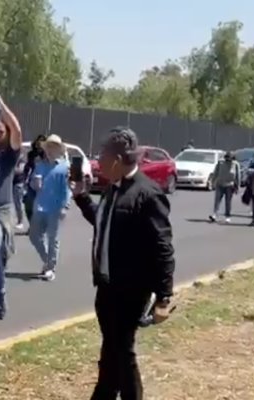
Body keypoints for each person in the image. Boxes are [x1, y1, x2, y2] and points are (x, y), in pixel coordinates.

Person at [71, 127, 175, 400]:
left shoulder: (147, 194)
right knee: (112, 352)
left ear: (117, 159)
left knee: (122, 352)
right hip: (107, 287)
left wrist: (164, 297)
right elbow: (104, 224)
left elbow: (163, 247)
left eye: (102, 155)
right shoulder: (112, 190)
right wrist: (82, 198)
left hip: (131, 289)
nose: (98, 161)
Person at [0, 90, 22, 319]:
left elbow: (16, 130)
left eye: (1, 132)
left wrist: (0, 103)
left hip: (2, 211)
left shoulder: (10, 155)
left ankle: (0, 294)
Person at [28, 134, 71, 281]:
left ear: (58, 150)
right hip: (39, 206)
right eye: (49, 147)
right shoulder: (40, 165)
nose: (50, 150)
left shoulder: (64, 167)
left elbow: (67, 189)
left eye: (54, 147)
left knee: (53, 239)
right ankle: (47, 260)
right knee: (34, 236)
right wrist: (35, 183)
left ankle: (51, 268)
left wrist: (65, 206)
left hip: (55, 208)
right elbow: (33, 184)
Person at [208, 150, 240, 223]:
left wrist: (237, 186)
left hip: (230, 185)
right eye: (227, 158)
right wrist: (213, 182)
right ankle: (215, 214)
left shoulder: (235, 164)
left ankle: (227, 216)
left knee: (228, 202)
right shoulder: (221, 162)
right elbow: (216, 172)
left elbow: (238, 176)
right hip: (220, 184)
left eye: (230, 158)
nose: (228, 160)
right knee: (217, 200)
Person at [22, 135, 47, 224]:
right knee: (28, 205)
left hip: (43, 184)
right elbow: (27, 167)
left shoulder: (47, 155)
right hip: (32, 182)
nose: (39, 144)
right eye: (38, 142)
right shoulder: (31, 154)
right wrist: (24, 179)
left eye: (42, 142)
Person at [12, 152, 27, 231]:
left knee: (19, 203)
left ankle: (21, 222)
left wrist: (10, 169)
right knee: (15, 203)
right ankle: (18, 220)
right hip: (13, 183)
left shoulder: (21, 160)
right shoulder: (12, 159)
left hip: (19, 183)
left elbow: (20, 170)